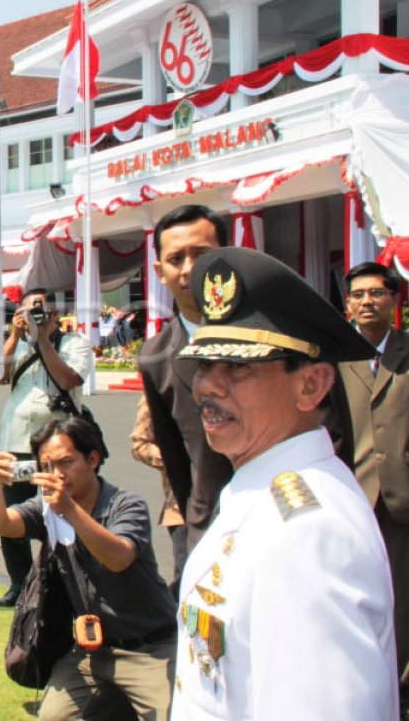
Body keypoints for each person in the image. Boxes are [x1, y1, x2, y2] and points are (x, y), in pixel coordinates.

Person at [172, 246, 397, 719]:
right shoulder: (258, 491)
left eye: (238, 367)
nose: (208, 386)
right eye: (206, 365)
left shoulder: (306, 532)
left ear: (311, 385)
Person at [0, 416, 178, 720]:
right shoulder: (49, 508)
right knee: (52, 718)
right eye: (47, 466)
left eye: (66, 463)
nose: (57, 474)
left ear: (93, 458)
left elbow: (119, 558)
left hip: (149, 648)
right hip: (92, 651)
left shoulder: (126, 504)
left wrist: (69, 510)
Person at [339, 261, 409, 718]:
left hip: (407, 497)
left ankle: (407, 689)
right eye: (358, 295)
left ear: (394, 299)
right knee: (356, 594)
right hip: (354, 498)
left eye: (376, 293)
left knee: (407, 598)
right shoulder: (335, 358)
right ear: (347, 304)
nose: (366, 301)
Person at [136, 205, 231, 582]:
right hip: (208, 528)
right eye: (176, 259)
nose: (190, 268)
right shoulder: (156, 357)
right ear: (160, 272)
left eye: (202, 254)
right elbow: (177, 463)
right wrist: (196, 525)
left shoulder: (277, 334)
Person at [0, 288, 93, 606]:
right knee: (12, 517)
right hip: (17, 444)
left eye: (41, 310)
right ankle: (19, 585)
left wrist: (42, 340)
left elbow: (68, 380)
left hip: (59, 450)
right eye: (29, 311)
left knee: (62, 515)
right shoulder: (19, 344)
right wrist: (15, 334)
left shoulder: (73, 343)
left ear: (54, 315)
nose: (36, 316)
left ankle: (66, 585)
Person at [129, 394, 186, 579]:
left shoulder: (218, 388)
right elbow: (140, 444)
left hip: (230, 501)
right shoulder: (158, 392)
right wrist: (175, 458)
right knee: (187, 579)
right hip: (180, 507)